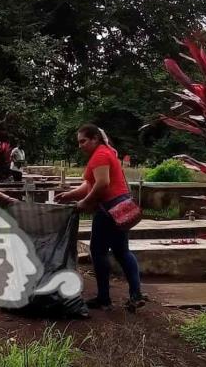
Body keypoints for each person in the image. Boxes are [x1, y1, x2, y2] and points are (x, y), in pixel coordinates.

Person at [55, 124, 144, 311]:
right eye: (78, 142)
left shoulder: (100, 155)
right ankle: (136, 295)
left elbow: (103, 184)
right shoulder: (106, 152)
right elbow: (90, 185)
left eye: (83, 141)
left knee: (98, 252)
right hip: (121, 208)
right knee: (122, 252)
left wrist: (84, 203)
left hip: (108, 210)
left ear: (95, 138)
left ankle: (104, 298)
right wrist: (69, 195)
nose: (80, 145)